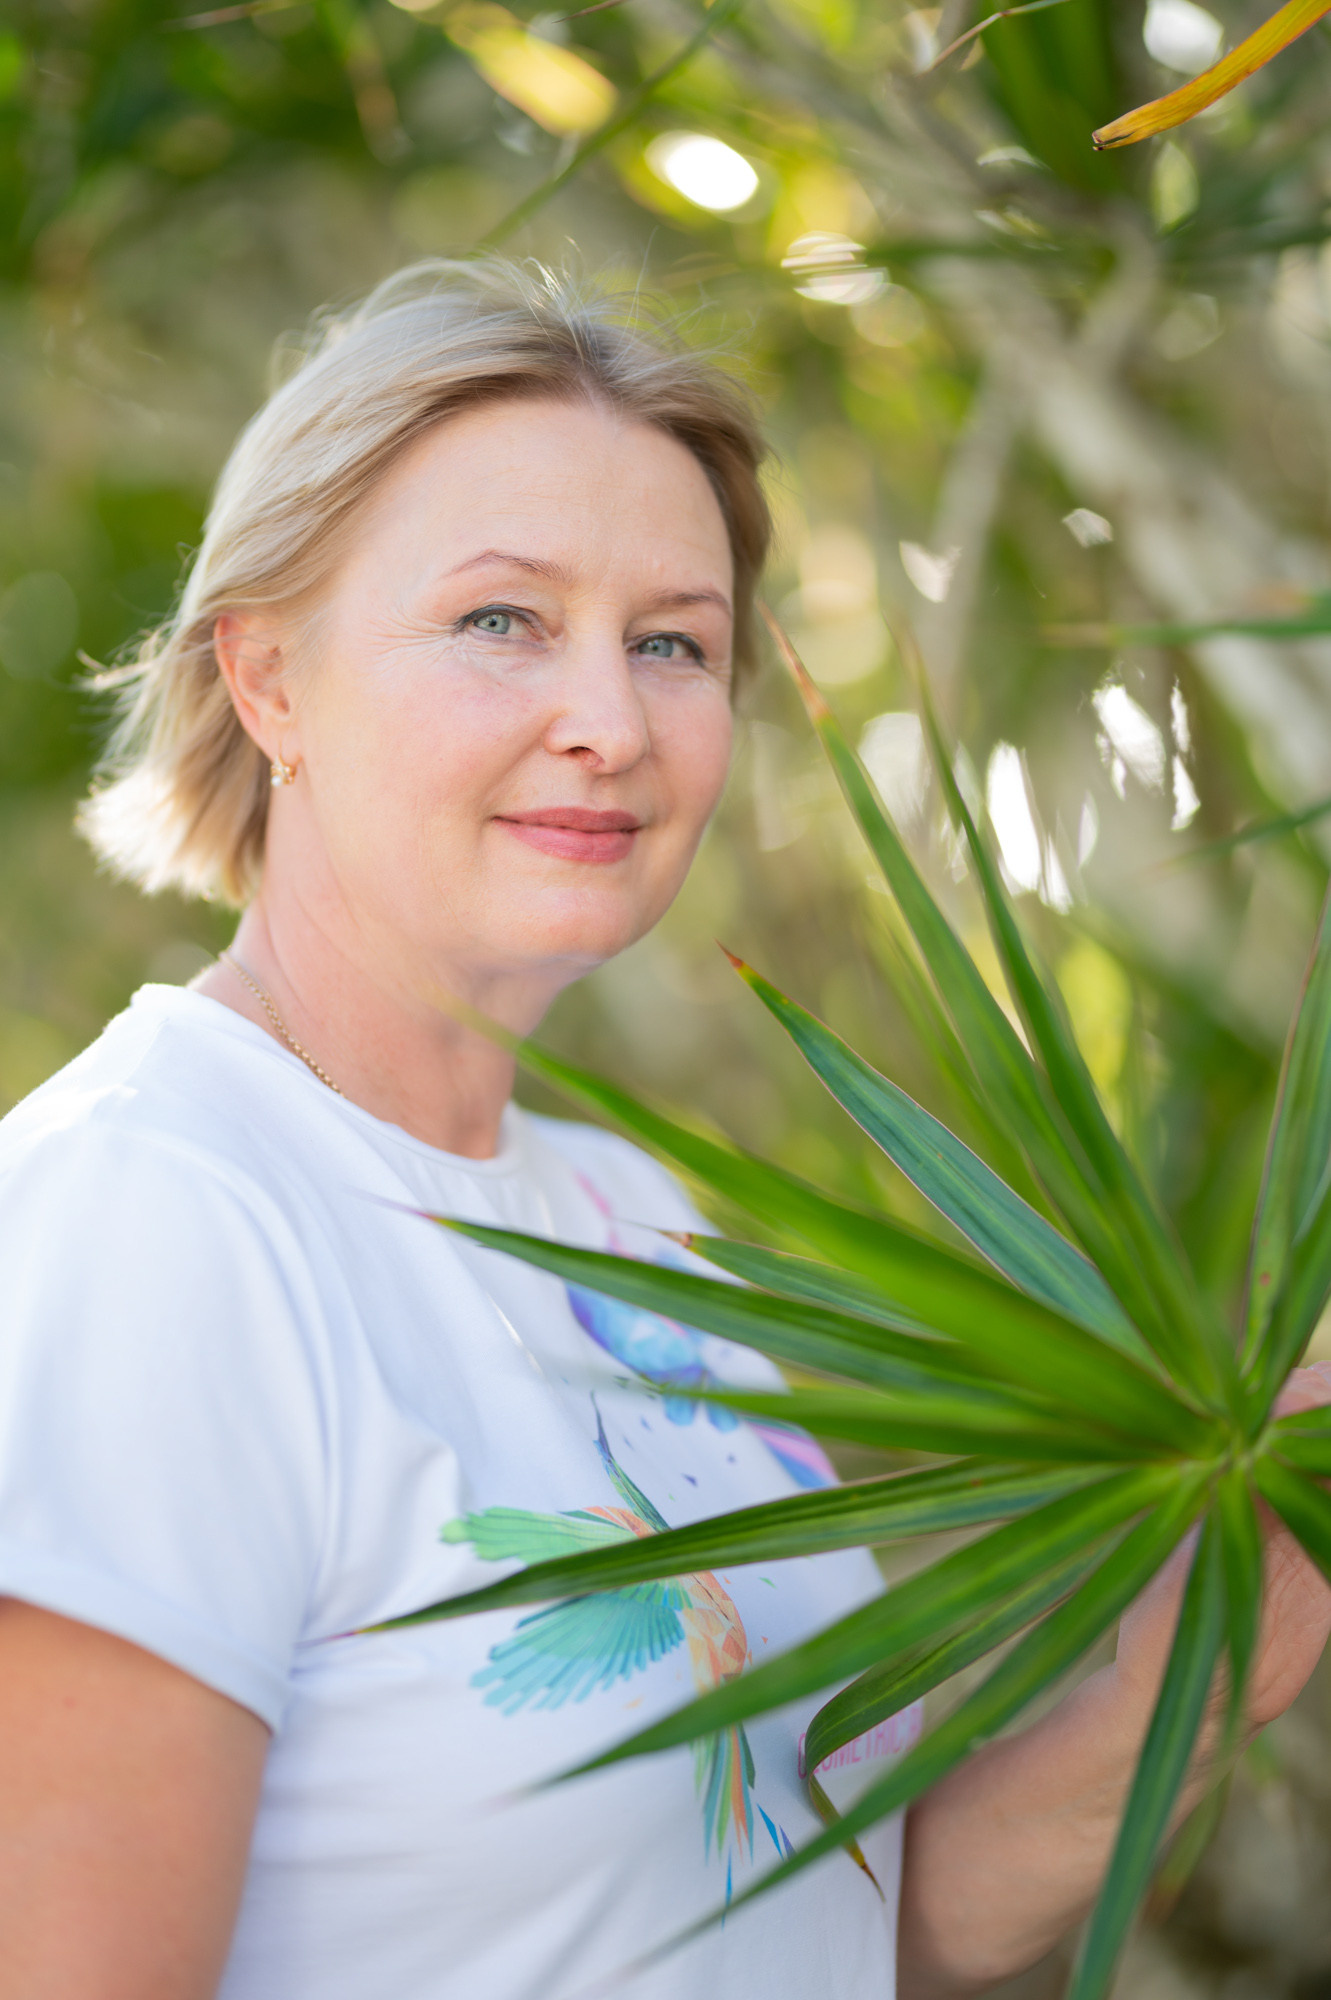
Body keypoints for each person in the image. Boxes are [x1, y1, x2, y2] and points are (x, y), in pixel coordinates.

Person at [0, 260, 1326, 2000]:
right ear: (267, 679)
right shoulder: (153, 1218)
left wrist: (1274, 1553)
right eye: (500, 620)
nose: (610, 723)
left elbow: (845, 1920)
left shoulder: (636, 1222)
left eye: (672, 643)